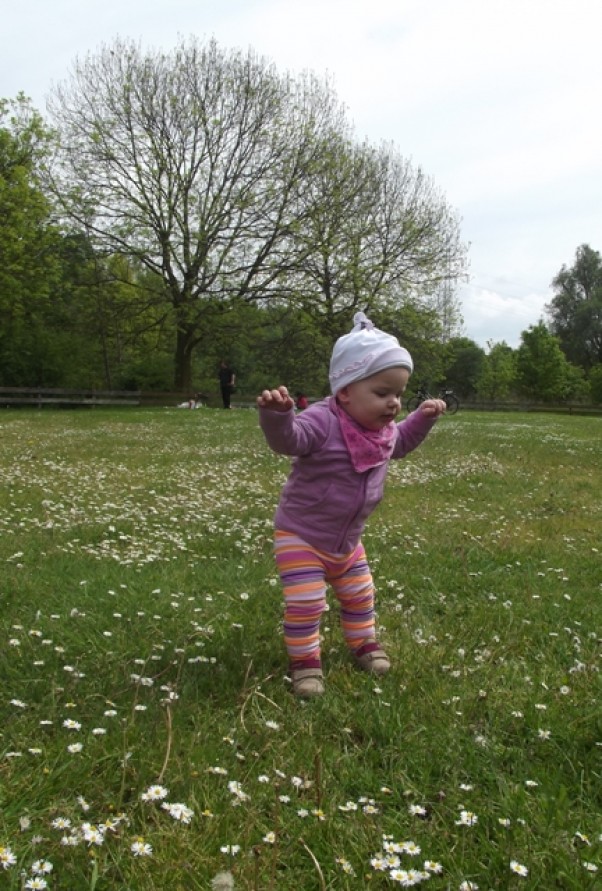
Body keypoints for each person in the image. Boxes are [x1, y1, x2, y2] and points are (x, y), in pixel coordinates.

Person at [256, 312, 446, 699]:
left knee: (361, 595)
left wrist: (421, 420)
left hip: (347, 542)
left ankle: (363, 644)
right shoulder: (322, 422)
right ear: (344, 390)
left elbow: (401, 444)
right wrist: (278, 417)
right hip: (302, 534)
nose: (394, 403)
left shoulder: (383, 430)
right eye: (382, 393)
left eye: (399, 394)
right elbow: (288, 441)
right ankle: (305, 664)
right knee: (307, 602)